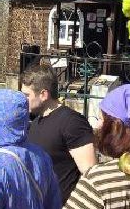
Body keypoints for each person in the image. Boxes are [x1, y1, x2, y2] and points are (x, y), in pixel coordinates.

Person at [21, 66, 96, 201]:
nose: (23, 100)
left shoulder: (72, 122)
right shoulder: (36, 121)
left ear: (43, 94)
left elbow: (90, 175)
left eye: (27, 95)